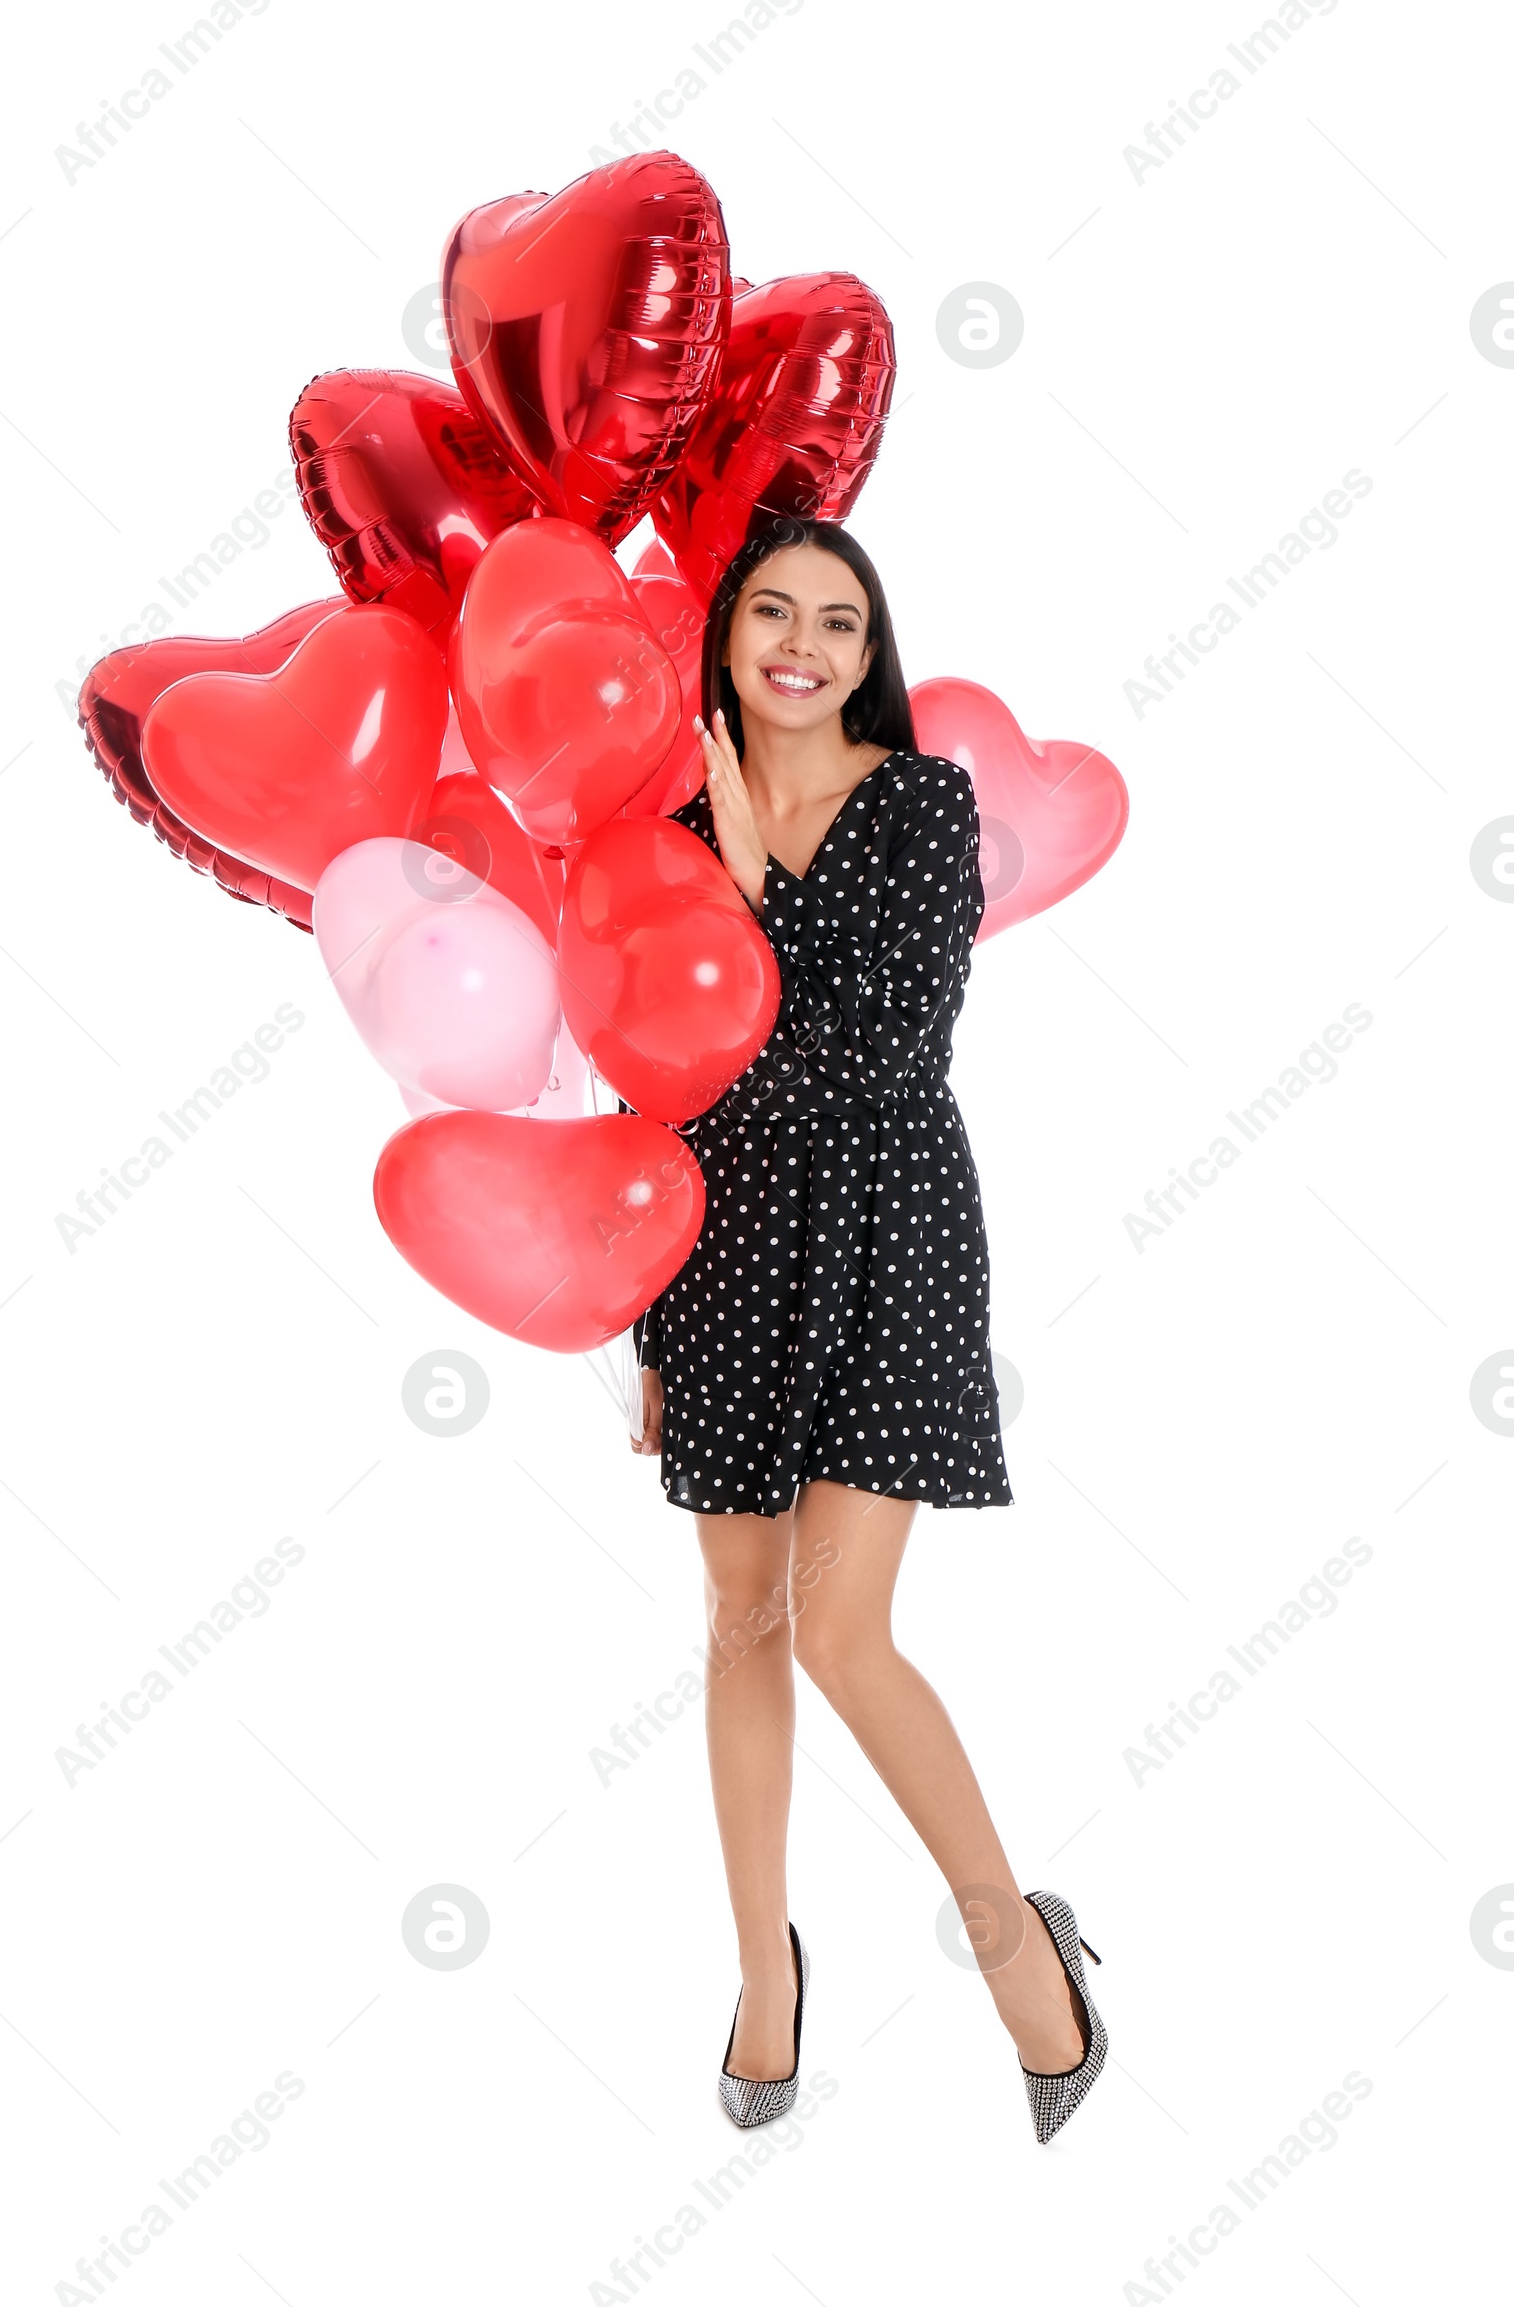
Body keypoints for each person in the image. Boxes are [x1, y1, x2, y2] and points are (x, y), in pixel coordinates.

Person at [625, 515, 1107, 2142]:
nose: (806, 643)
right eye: (774, 609)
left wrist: (762, 877)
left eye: (841, 619)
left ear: (868, 652)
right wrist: (644, 1306)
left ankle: (1016, 1950)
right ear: (728, 636)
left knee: (841, 1629)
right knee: (743, 1616)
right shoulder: (667, 817)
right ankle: (766, 1975)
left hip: (891, 1228)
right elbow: (669, 1069)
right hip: (730, 1244)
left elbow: (888, 1037)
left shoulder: (919, 801)